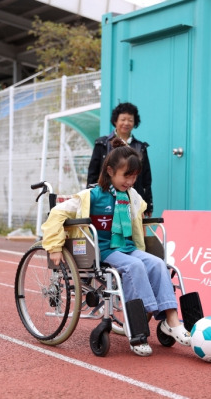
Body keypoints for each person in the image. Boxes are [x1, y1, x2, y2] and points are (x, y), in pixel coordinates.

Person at [42, 138, 190, 357]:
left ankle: (172, 321)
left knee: (158, 264)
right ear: (110, 171)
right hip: (104, 252)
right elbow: (57, 213)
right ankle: (137, 330)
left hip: (129, 247)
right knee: (134, 266)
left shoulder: (132, 196)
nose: (130, 181)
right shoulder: (90, 197)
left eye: (134, 176)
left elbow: (142, 210)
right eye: (126, 175)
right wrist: (54, 246)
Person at [87, 102, 153, 217]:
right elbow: (92, 174)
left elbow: (146, 180)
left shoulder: (141, 147)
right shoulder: (102, 144)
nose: (126, 123)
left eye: (130, 120)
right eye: (123, 119)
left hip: (133, 201)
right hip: (106, 199)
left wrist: (148, 205)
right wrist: (90, 198)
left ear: (135, 122)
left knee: (137, 231)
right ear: (115, 121)